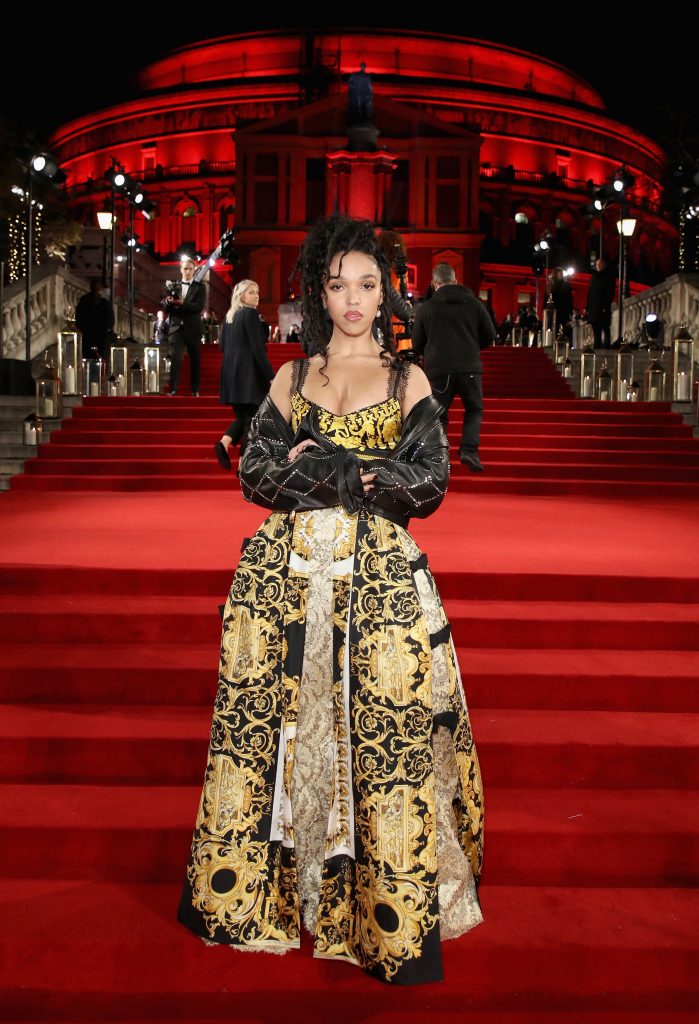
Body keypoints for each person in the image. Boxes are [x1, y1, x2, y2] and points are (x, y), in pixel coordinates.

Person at [177, 214, 484, 985]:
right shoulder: (291, 377)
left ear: (386, 293)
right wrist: (360, 473)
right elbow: (255, 472)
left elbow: (429, 484)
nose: (352, 299)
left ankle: (377, 903)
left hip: (379, 588)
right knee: (285, 733)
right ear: (320, 291)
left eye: (367, 284)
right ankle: (277, 889)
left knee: (375, 732)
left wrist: (326, 464)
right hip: (283, 586)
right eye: (338, 284)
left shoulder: (408, 380)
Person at [411, 263, 496, 473]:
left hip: (439, 370)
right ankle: (469, 451)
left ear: (435, 283)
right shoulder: (474, 304)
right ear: (456, 281)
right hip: (469, 367)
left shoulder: (427, 308)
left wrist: (430, 352)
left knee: (438, 415)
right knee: (474, 410)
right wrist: (472, 346)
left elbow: (417, 342)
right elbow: (490, 334)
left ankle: (440, 458)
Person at [214, 279, 274, 471]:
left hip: (231, 375)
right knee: (252, 420)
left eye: (257, 292)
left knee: (244, 418)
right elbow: (258, 349)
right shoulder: (249, 313)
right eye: (251, 292)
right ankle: (243, 466)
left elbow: (222, 346)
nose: (256, 296)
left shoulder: (230, 316)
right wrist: (270, 375)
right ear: (240, 295)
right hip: (249, 375)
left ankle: (224, 444)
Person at [163, 257, 206, 395]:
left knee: (195, 361)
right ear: (181, 269)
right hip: (176, 329)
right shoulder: (173, 286)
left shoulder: (200, 287)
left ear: (194, 270)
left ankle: (195, 390)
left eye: (190, 269)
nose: (188, 271)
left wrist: (182, 304)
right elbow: (166, 307)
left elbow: (198, 307)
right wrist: (168, 302)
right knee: (175, 359)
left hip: (193, 329)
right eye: (185, 268)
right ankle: (173, 389)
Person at [75, 279, 114, 362]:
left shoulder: (85, 301)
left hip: (91, 335)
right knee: (96, 357)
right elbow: (111, 322)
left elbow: (78, 318)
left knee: (90, 357)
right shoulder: (103, 303)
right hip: (96, 335)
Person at [586, 257, 616, 349]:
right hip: (593, 308)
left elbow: (610, 293)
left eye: (600, 264)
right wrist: (587, 307)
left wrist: (606, 305)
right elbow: (590, 293)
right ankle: (597, 345)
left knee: (605, 327)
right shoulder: (593, 277)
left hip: (603, 307)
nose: (598, 266)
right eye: (597, 264)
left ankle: (607, 345)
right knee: (595, 328)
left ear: (604, 265)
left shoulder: (608, 277)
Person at [548, 268, 574, 339]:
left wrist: (570, 311)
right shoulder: (551, 285)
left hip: (563, 311)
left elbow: (569, 299)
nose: (561, 275)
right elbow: (547, 298)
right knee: (554, 328)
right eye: (560, 273)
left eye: (561, 273)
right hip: (555, 310)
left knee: (563, 328)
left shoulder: (566, 285)